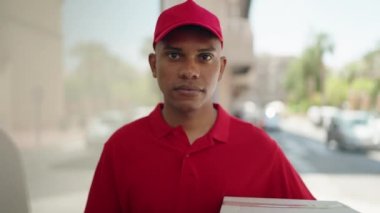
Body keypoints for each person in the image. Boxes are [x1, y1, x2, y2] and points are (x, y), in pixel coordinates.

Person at [84, 1, 314, 212]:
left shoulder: (261, 149)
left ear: (222, 68)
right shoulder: (121, 148)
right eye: (174, 55)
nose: (190, 71)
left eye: (204, 57)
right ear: (154, 65)